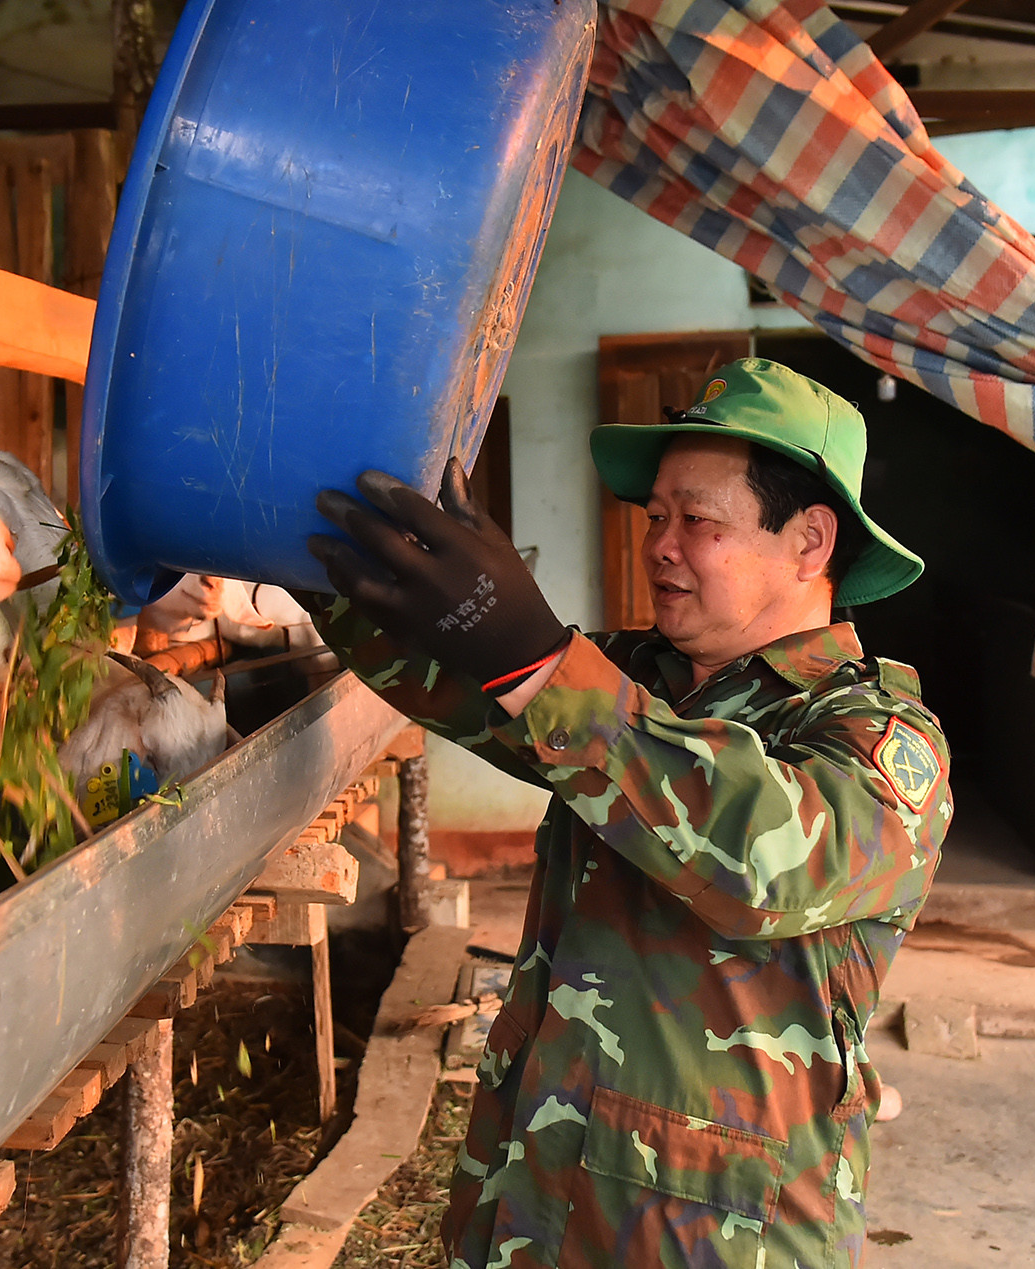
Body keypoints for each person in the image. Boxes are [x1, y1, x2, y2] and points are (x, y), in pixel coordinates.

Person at [307, 357, 948, 1269]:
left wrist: (539, 662)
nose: (660, 544)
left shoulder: (875, 734)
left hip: (707, 1232)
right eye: (655, 517)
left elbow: (769, 863)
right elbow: (444, 678)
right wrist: (304, 550)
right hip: (533, 1195)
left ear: (810, 542)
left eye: (698, 520)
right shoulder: (636, 678)